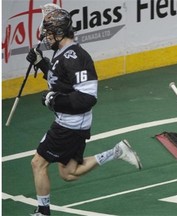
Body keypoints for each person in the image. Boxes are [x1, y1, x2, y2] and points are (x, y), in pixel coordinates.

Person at [26, 9, 142, 216]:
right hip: (73, 122)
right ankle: (117, 152)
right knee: (69, 173)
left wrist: (53, 100)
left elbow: (86, 99)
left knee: (38, 163)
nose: (45, 36)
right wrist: (40, 63)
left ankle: (42, 212)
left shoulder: (76, 57)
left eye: (49, 33)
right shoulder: (62, 53)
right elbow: (59, 80)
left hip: (70, 124)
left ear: (60, 33)